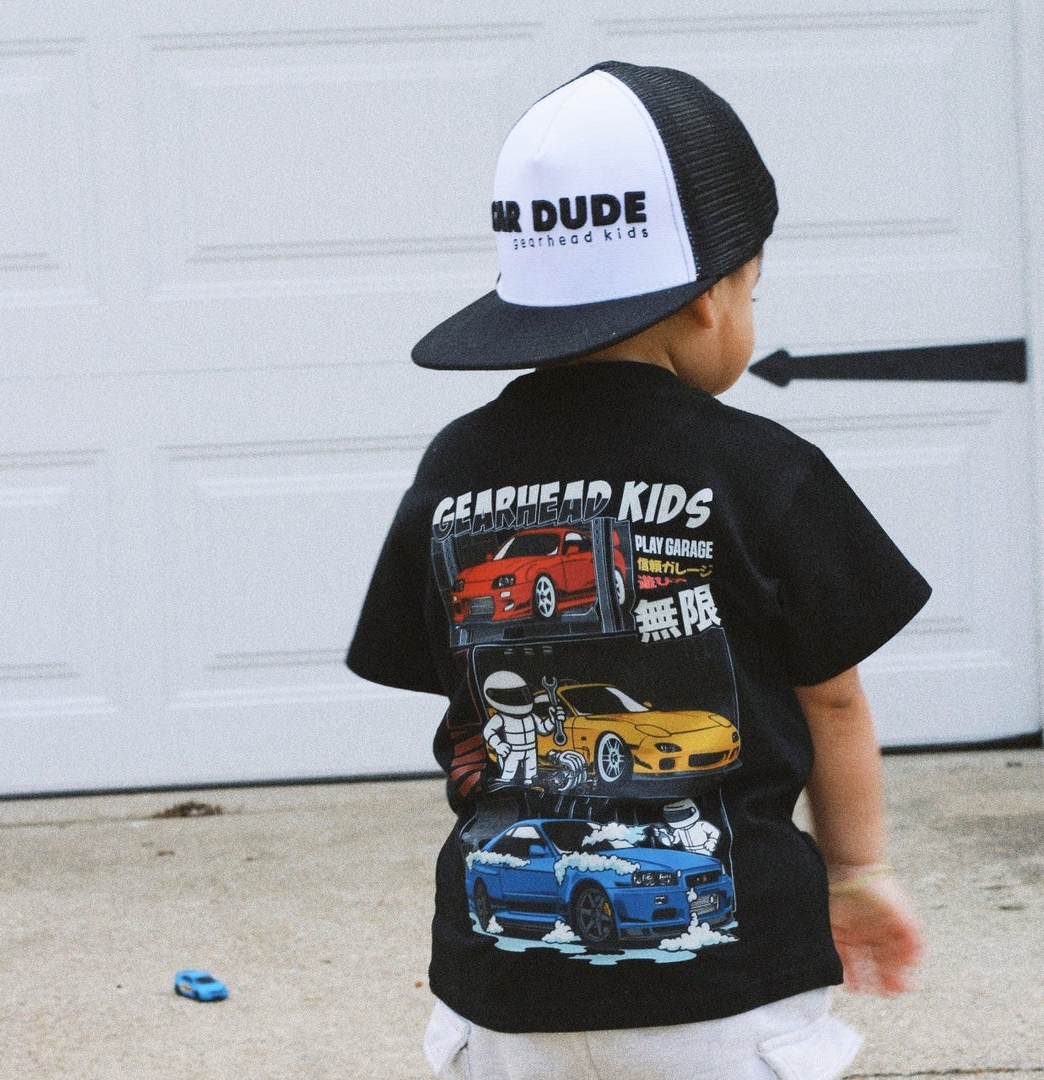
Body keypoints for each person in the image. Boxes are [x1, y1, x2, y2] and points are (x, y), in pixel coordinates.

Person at [347, 60, 929, 1080]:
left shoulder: (454, 468)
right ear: (710, 298)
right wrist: (858, 871)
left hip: (504, 997)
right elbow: (833, 704)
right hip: (728, 994)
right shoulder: (766, 471)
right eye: (753, 288)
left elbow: (457, 688)